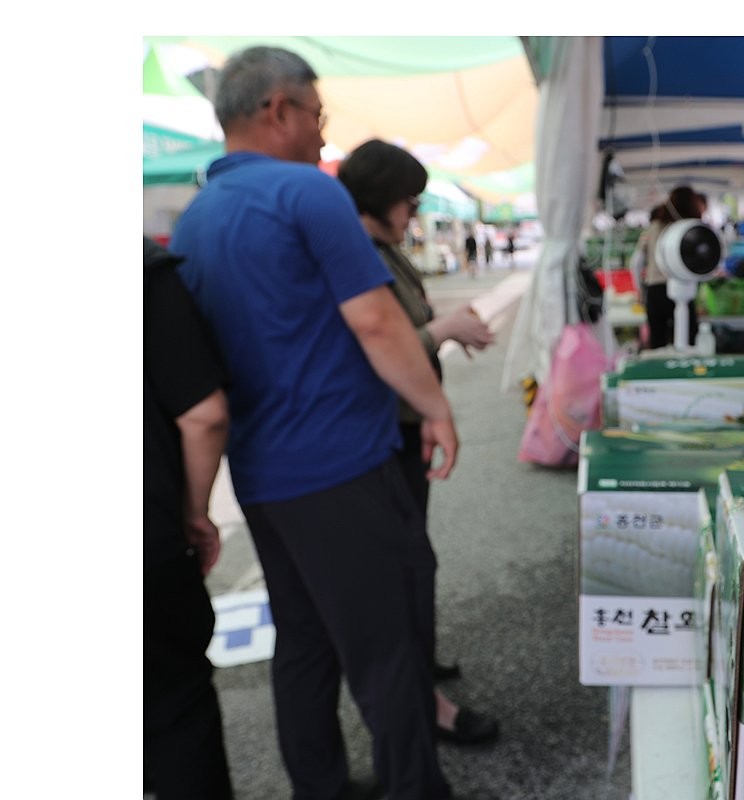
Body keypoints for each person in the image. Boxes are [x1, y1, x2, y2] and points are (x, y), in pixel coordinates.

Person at [169, 46, 462, 800]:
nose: (322, 135)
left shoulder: (199, 217)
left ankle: (320, 789)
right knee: (388, 650)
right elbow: (375, 322)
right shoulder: (307, 192)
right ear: (278, 110)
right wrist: (436, 407)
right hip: (341, 465)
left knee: (302, 645)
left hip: (265, 477)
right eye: (317, 115)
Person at [337, 138, 498, 746]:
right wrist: (444, 331)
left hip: (402, 427)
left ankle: (418, 672)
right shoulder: (356, 253)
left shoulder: (380, 248)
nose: (413, 212)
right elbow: (383, 340)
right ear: (382, 197)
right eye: (408, 201)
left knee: (412, 560)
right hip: (386, 431)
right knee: (408, 566)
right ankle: (420, 704)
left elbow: (402, 328)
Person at [143, 236, 234, 800]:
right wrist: (195, 515)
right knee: (174, 703)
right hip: (144, 540)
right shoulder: (141, 272)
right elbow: (204, 414)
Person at [634, 185, 705, 349]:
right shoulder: (692, 230)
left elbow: (636, 262)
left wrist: (640, 289)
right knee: (688, 342)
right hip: (685, 288)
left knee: (657, 341)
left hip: (655, 289)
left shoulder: (653, 227)